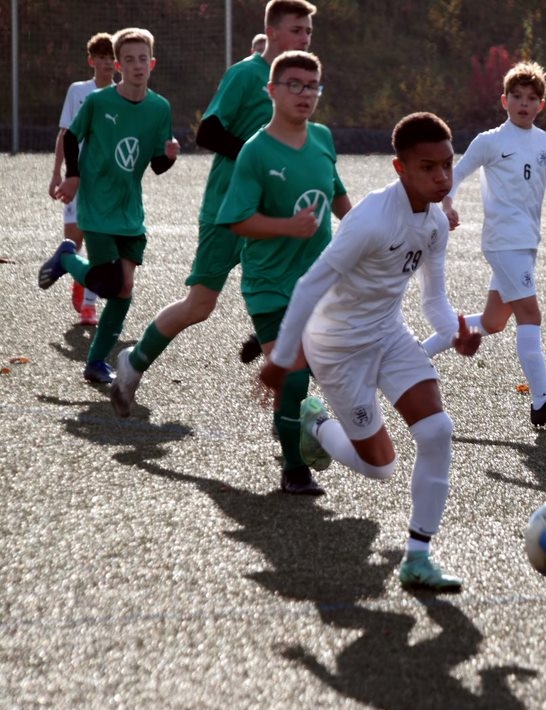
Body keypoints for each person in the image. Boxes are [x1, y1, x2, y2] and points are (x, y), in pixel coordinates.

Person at [260, 112, 482, 591]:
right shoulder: (370, 221)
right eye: (429, 167)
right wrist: (281, 359)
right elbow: (309, 284)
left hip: (388, 334)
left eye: (447, 164)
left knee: (438, 429)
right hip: (337, 350)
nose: (442, 176)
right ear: (400, 168)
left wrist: (456, 331)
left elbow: (434, 301)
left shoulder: (437, 221)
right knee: (380, 468)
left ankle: (418, 558)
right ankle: (316, 425)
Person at [117, 50, 347, 498]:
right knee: (282, 364)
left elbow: (336, 194)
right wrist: (286, 227)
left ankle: (292, 413)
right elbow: (236, 217)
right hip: (269, 283)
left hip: (317, 280)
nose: (304, 94)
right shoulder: (256, 148)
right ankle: (294, 468)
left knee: (330, 362)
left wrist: (365, 233)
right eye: (294, 85)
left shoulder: (322, 138)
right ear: (272, 90)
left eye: (312, 86)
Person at [107, 0, 315, 413]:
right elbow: (210, 132)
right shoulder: (245, 75)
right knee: (200, 305)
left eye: (308, 31)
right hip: (229, 211)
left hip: (274, 217)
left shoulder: (301, 83)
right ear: (271, 32)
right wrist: (259, 155)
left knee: (305, 290)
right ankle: (133, 362)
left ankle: (292, 431)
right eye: (297, 30)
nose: (305, 38)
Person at [420, 60, 546, 428]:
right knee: (531, 314)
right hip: (502, 241)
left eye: (531, 98)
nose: (524, 103)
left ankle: (420, 352)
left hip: (526, 242)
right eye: (517, 96)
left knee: (493, 322)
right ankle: (541, 403)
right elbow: (455, 175)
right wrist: (447, 204)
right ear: (504, 100)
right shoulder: (490, 141)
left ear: (541, 104)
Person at [38, 28, 180, 384]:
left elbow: (155, 165)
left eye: (142, 59)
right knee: (109, 282)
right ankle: (68, 257)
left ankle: (95, 362)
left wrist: (169, 157)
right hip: (97, 206)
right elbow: (71, 136)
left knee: (124, 289)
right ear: (118, 65)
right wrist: (71, 177)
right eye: (128, 60)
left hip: (130, 211)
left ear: (152, 63)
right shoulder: (99, 102)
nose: (136, 65)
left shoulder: (160, 108)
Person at [48, 32, 116, 327]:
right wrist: (56, 173)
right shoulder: (78, 91)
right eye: (100, 58)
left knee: (103, 247)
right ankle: (81, 276)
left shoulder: (123, 94)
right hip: (78, 178)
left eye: (110, 58)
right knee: (73, 243)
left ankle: (89, 305)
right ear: (91, 61)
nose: (106, 63)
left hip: (108, 183)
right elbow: (66, 133)